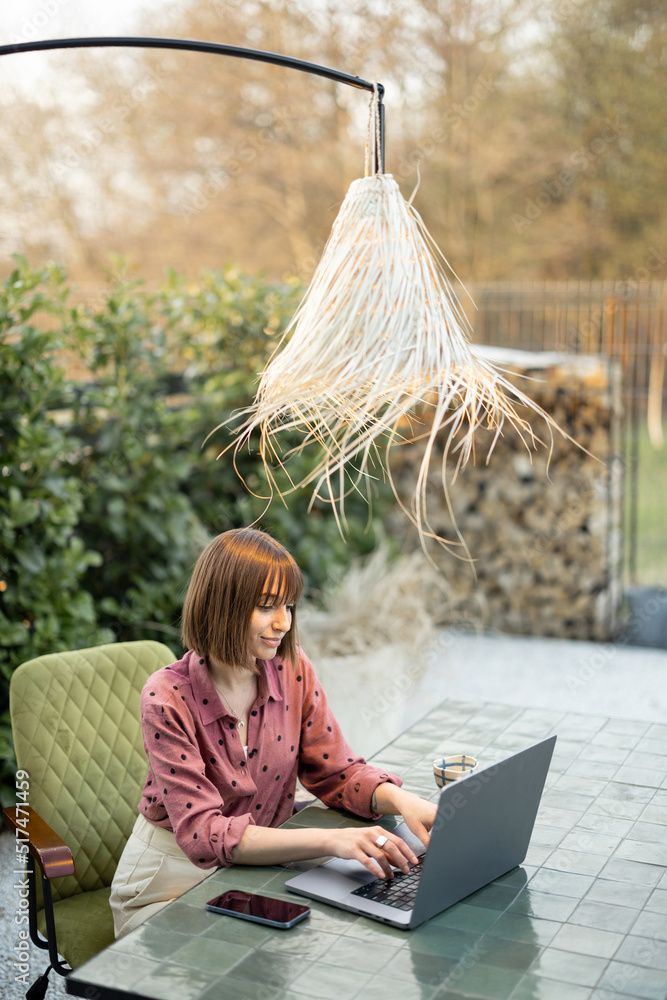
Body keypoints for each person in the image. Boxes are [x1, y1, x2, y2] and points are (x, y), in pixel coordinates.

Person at [110, 527, 437, 937]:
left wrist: (404, 802)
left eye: (289, 606)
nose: (283, 622)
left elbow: (337, 772)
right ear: (221, 606)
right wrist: (332, 842)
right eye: (266, 607)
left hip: (251, 873)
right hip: (168, 883)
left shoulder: (292, 667)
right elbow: (204, 835)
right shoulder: (167, 696)